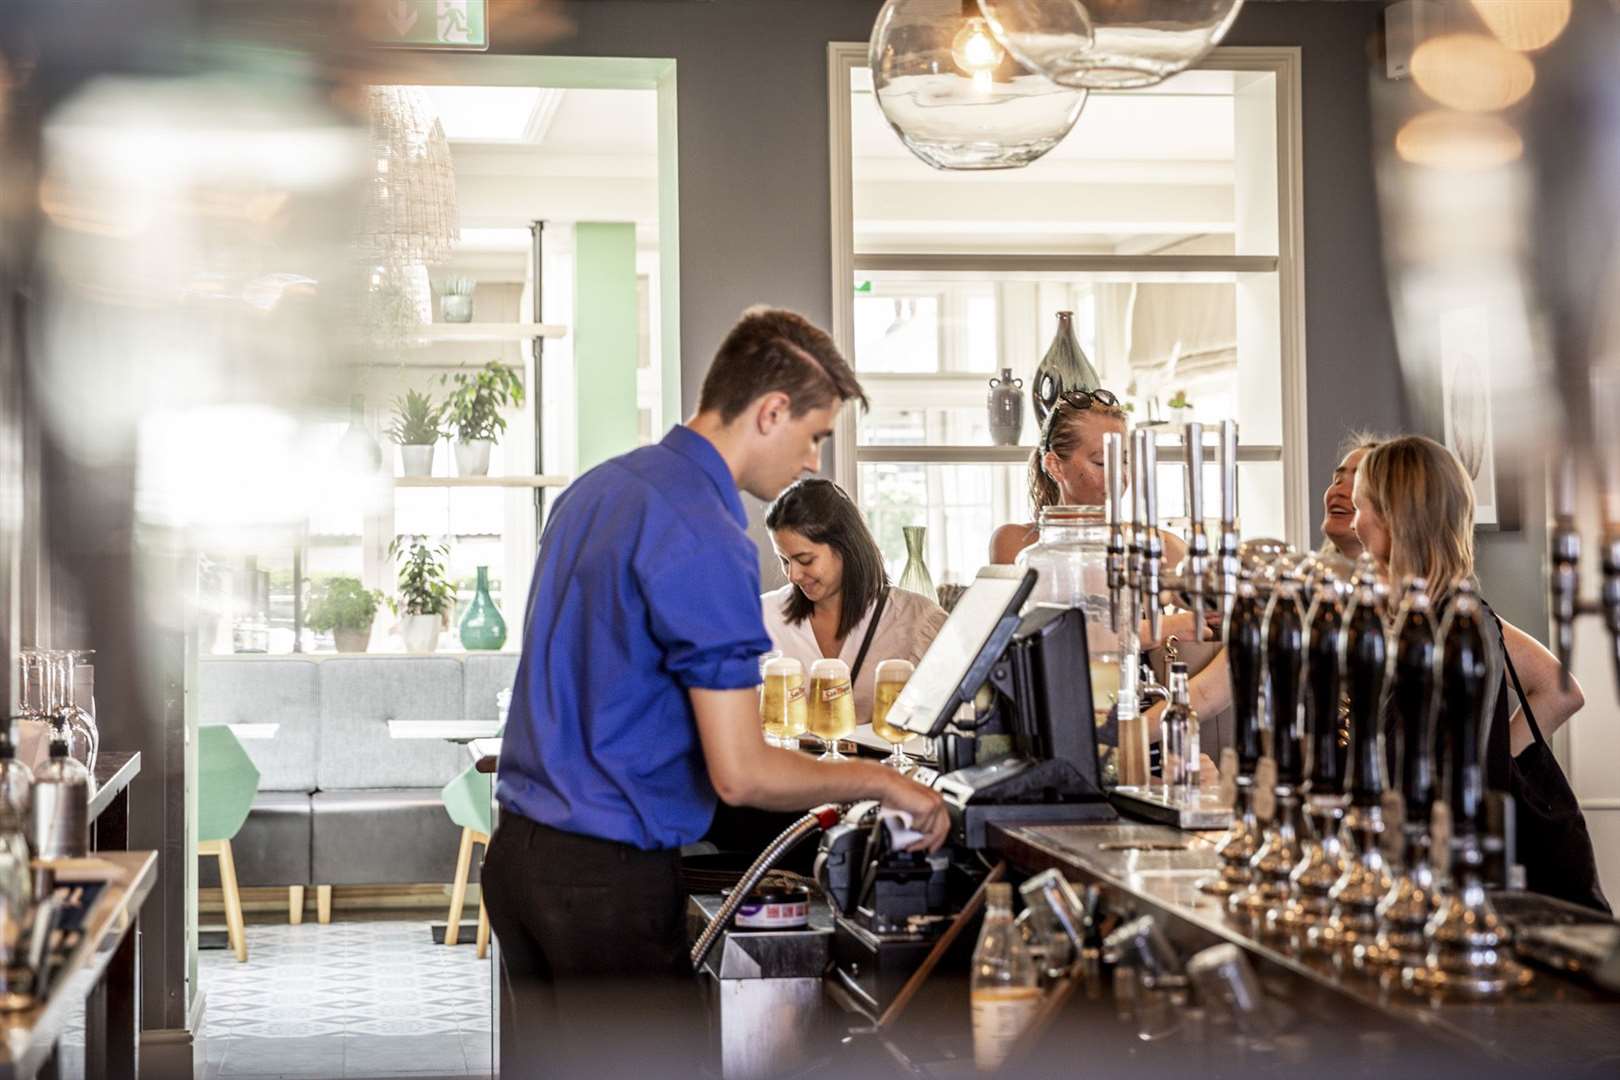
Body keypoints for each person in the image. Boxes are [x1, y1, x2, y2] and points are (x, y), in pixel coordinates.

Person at [481, 307, 950, 1075]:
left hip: (522, 863)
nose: (810, 460)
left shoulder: (599, 490)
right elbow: (743, 771)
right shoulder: (704, 531)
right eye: (814, 435)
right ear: (770, 411)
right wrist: (887, 782)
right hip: (605, 878)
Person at [1353, 435, 1606, 911]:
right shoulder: (1464, 611)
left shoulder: (1440, 622)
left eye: (1360, 506)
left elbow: (1563, 692)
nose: (1356, 523)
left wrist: (1493, 769)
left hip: (1447, 884)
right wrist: (1492, 767)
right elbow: (1562, 690)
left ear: (1393, 515)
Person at [1143, 430, 1386, 752]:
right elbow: (1208, 693)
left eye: (1357, 482)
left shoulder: (1408, 604)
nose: (1340, 491)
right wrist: (1122, 738)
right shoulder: (1296, 588)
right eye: (1337, 478)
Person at [762, 478, 947, 723]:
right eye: (784, 561)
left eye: (805, 560)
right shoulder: (763, 616)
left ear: (846, 547)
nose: (792, 575)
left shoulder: (918, 622)